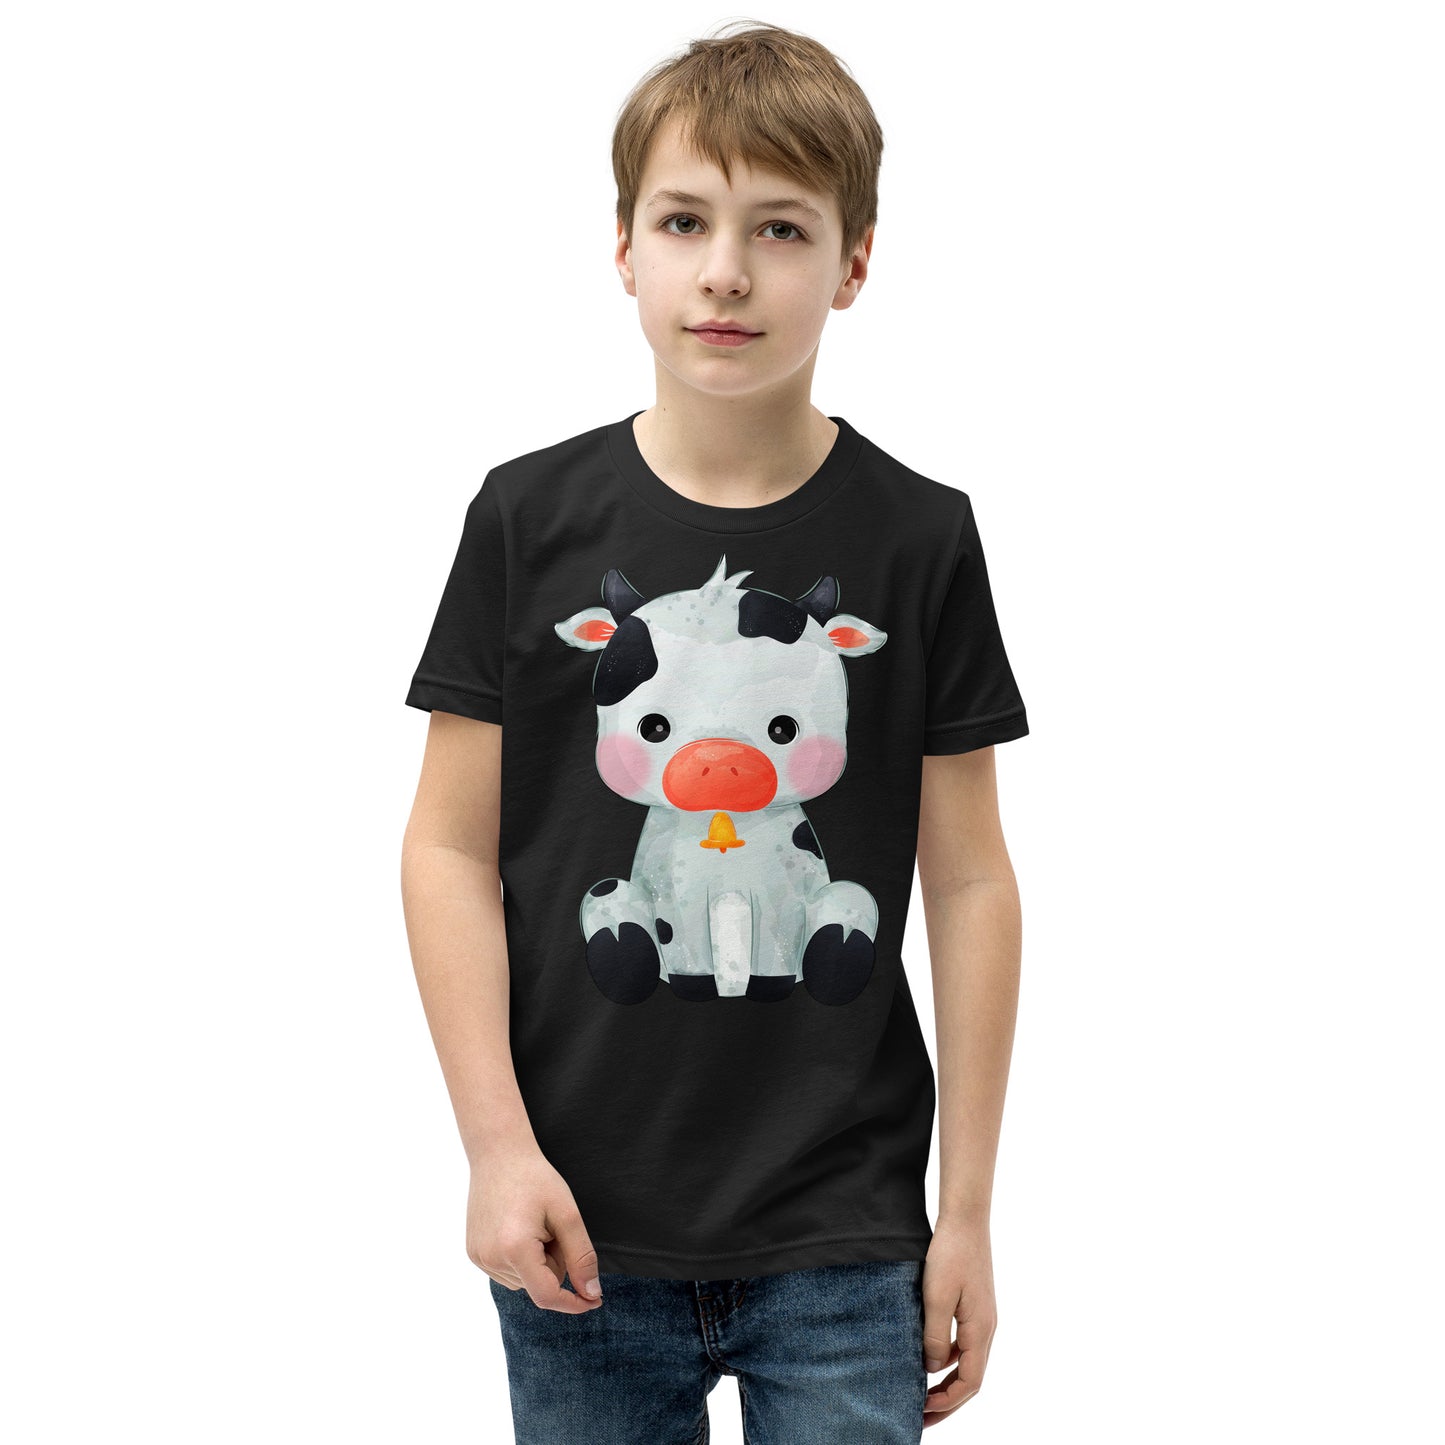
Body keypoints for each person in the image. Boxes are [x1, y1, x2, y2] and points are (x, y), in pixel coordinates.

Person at [400, 20, 1029, 1441]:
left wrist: (970, 1211)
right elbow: (445, 849)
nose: (726, 271)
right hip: (576, 1218)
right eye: (684, 221)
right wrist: (495, 1148)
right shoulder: (526, 520)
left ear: (854, 263)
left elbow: (970, 878)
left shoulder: (920, 539)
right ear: (623, 248)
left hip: (846, 1223)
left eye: (780, 228)